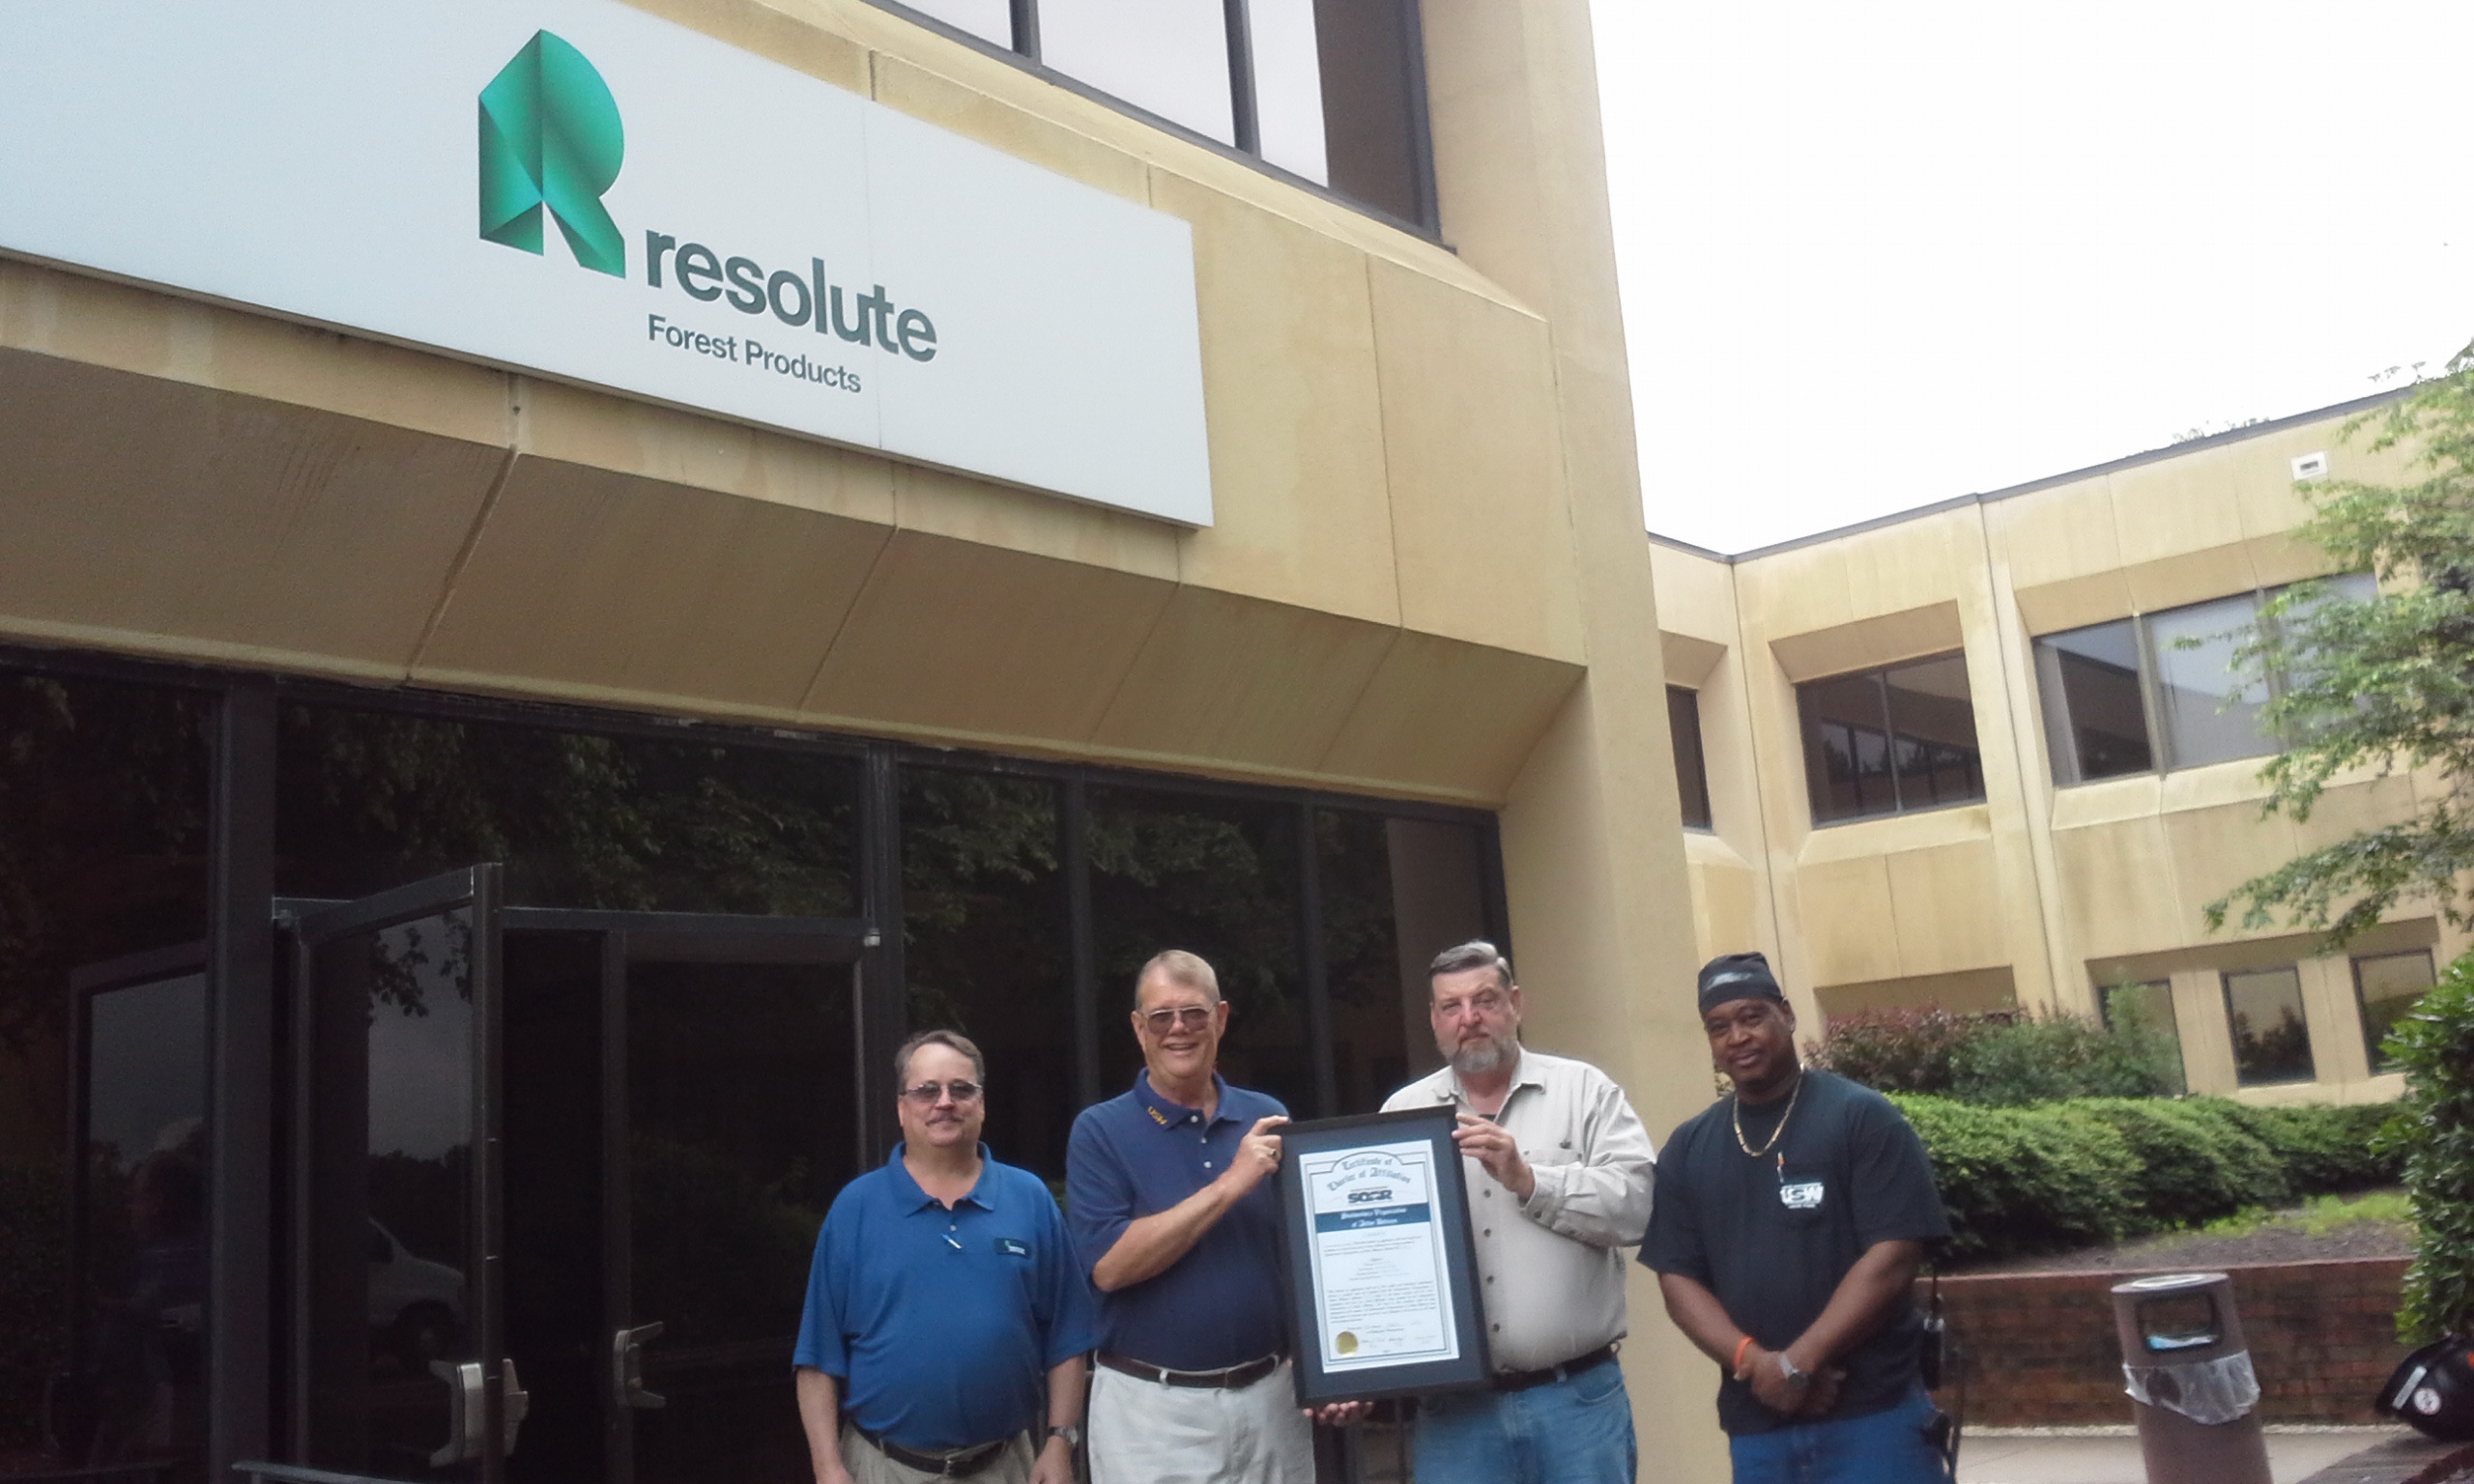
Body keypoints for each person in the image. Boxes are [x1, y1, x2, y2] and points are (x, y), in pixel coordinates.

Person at [1643, 952, 1952, 1484]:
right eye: (1719, 1027)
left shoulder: (1861, 1117)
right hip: (1758, 1426)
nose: (1737, 1037)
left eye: (1751, 1016)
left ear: (1786, 1015)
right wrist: (1757, 1364)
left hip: (1873, 1417)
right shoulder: (1689, 1147)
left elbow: (1895, 1256)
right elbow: (1677, 1280)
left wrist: (1799, 1362)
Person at [1380, 939, 1655, 1484]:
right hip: (1456, 1419)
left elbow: (1638, 1208)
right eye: (1452, 1007)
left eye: (1484, 1000)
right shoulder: (1402, 1116)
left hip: (1576, 1404)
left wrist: (1530, 1181)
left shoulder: (1585, 1091)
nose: (1470, 1018)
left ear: (1516, 1004)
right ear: (1433, 1020)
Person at [794, 1030, 1095, 1484]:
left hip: (1005, 1465)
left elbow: (1068, 1339)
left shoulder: (1029, 1199)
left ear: (982, 1103)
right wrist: (827, 1467)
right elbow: (818, 1357)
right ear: (901, 1107)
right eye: (926, 1091)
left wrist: (1059, 1441)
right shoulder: (856, 1208)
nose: (944, 1102)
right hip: (883, 1468)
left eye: (961, 1089)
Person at [1064, 949, 1316, 1484]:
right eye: (1161, 1017)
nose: (1179, 1029)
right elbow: (1109, 1266)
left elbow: (1306, 1253)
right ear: (1139, 1028)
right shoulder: (1100, 1131)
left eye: (1194, 1013)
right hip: (1153, 1416)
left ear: (1220, 1018)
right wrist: (1231, 1183)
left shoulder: (1265, 1117)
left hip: (1272, 1401)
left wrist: (1326, 1361)